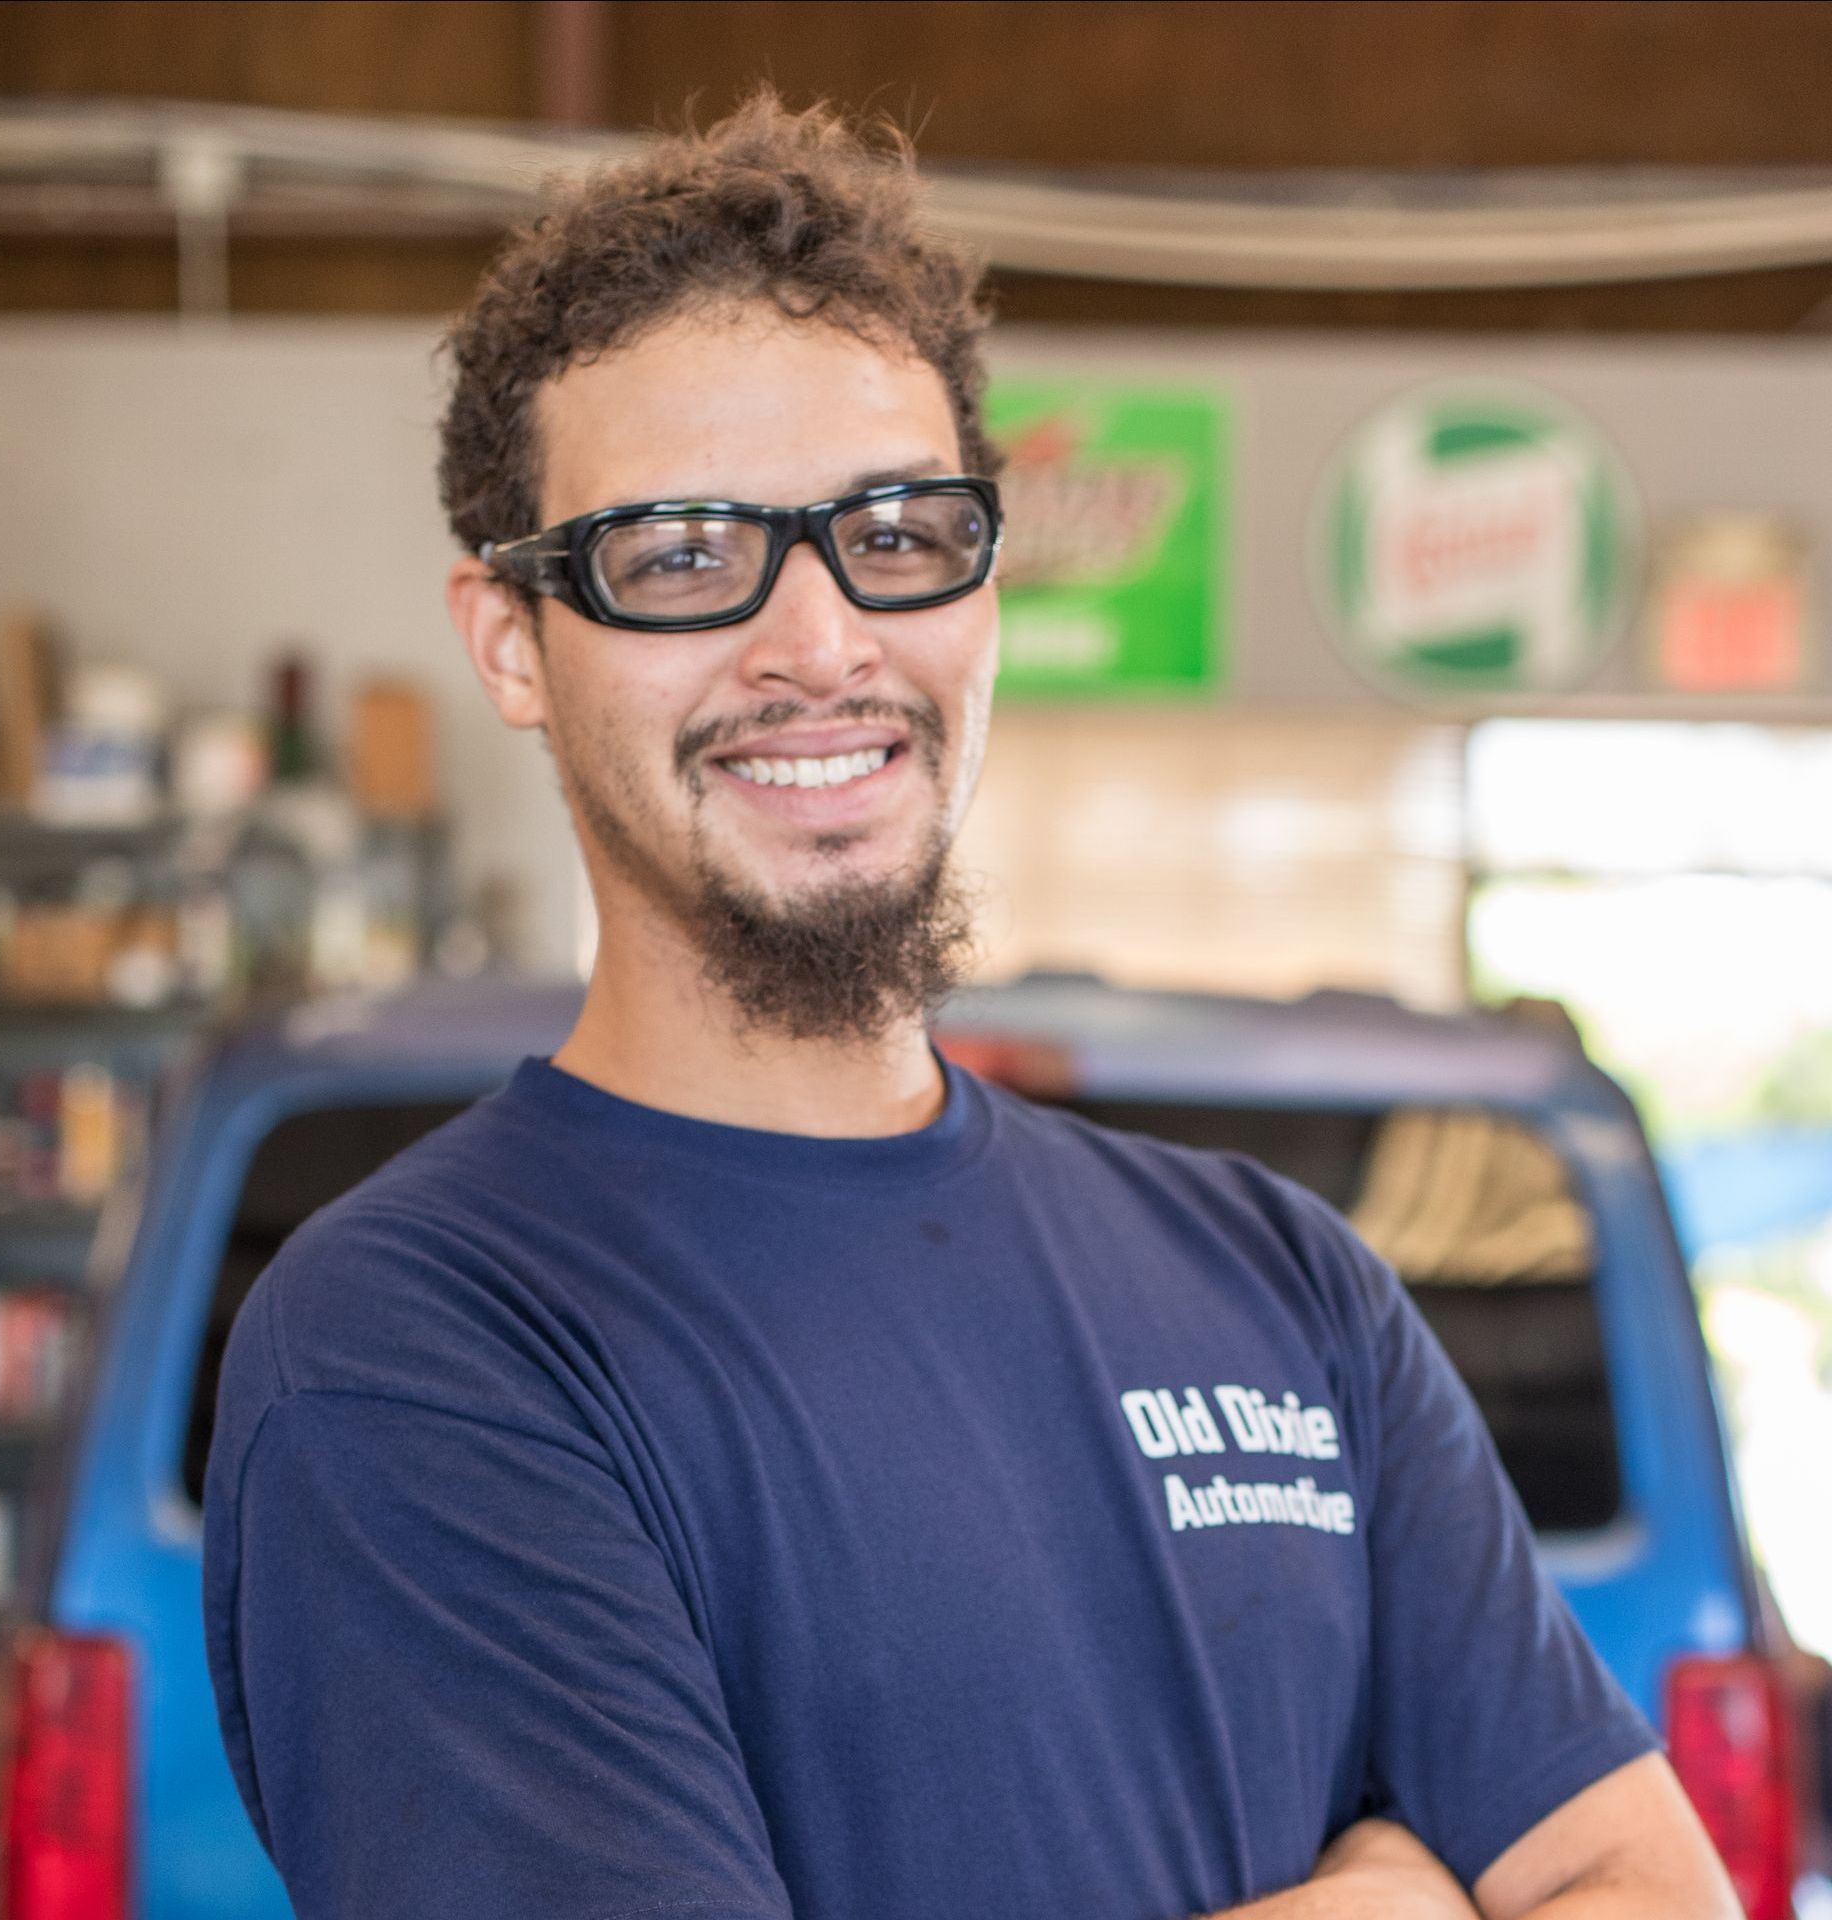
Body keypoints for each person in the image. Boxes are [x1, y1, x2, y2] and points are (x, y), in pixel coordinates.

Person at [202, 93, 1739, 1920]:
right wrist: (1385, 1903)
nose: (822, 643)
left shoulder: (1285, 1279)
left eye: (899, 529)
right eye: (684, 555)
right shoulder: (419, 1344)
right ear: (512, 643)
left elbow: (1639, 1885)